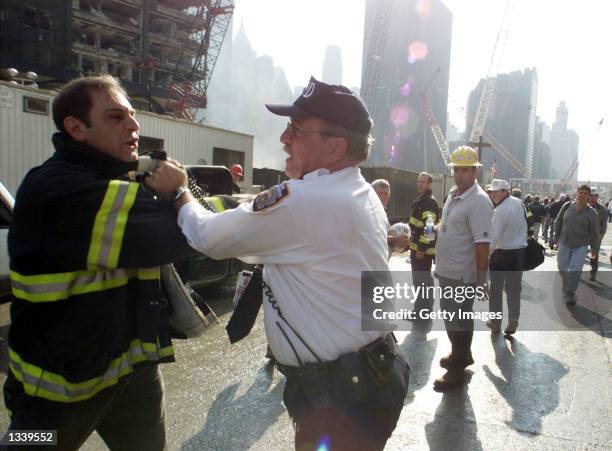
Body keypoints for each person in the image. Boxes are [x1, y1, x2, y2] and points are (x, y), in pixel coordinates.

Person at [148, 76, 409, 450]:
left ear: (335, 147)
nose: (285, 139)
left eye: (296, 130)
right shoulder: (359, 190)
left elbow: (208, 237)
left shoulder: (308, 201)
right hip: (374, 374)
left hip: (341, 399)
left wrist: (178, 191)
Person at [4, 75, 195, 450]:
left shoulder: (119, 179)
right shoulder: (62, 190)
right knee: (24, 445)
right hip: (56, 392)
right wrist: (179, 191)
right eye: (115, 117)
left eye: (133, 115)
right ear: (76, 127)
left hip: (130, 376)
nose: (134, 125)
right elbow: (182, 232)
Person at [433, 146, 493, 390]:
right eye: (456, 170)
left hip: (461, 275)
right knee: (451, 316)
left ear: (475, 171)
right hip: (447, 270)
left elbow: (482, 243)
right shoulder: (454, 194)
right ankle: (462, 354)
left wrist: (481, 280)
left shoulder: (478, 201)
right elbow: (448, 226)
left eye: (464, 170)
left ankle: (458, 368)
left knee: (458, 318)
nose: (459, 175)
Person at [486, 179, 527, 335]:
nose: (493, 194)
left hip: (501, 254)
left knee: (496, 290)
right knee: (514, 289)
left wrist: (484, 259)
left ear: (505, 191)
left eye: (497, 191)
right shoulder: (518, 202)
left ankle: (495, 323)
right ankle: (513, 320)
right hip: (519, 253)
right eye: (492, 191)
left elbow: (493, 238)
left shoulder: (500, 211)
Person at [554, 185, 599, 305]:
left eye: (585, 193)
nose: (582, 195)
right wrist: (556, 237)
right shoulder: (567, 206)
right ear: (576, 193)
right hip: (564, 242)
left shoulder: (592, 213)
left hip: (580, 245)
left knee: (575, 269)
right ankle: (568, 285)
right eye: (580, 192)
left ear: (589, 196)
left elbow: (595, 233)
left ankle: (570, 293)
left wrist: (595, 248)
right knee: (561, 266)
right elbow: (558, 221)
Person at [407, 172, 439, 318]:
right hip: (418, 249)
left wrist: (421, 249)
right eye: (419, 181)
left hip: (422, 252)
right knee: (420, 280)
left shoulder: (428, 202)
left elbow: (430, 228)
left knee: (422, 281)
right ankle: (421, 310)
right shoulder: (422, 199)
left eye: (424, 182)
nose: (420, 184)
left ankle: (422, 311)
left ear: (429, 184)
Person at [372, 179, 410, 253]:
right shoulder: (369, 212)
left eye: (386, 193)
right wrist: (395, 239)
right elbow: (372, 237)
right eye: (380, 193)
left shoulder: (382, 210)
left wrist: (401, 244)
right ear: (372, 194)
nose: (383, 196)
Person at [588, 192, 609, 281]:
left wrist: (601, 236)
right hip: (582, 234)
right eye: (591, 196)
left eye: (595, 196)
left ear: (597, 197)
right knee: (579, 252)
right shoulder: (584, 206)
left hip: (596, 235)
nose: (592, 198)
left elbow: (604, 225)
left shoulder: (603, 209)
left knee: (594, 254)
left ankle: (593, 272)